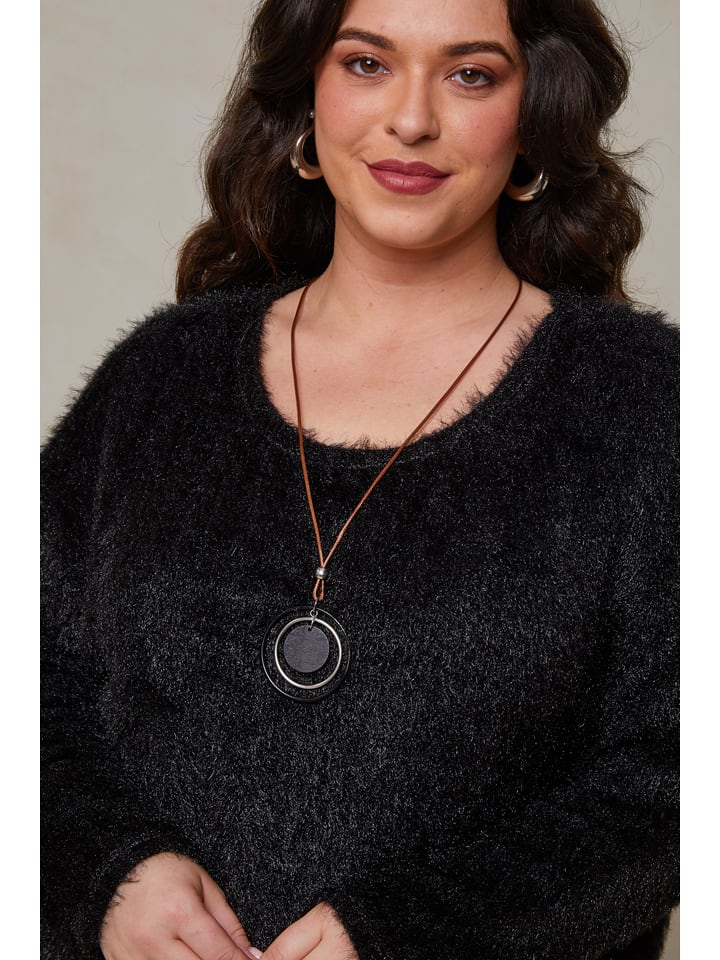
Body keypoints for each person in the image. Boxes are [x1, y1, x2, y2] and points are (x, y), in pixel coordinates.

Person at [41, 0, 679, 958]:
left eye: (471, 74)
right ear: (309, 97)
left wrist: (403, 936)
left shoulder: (650, 407)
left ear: (535, 119)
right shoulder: (159, 379)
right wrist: (108, 877)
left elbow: (676, 778)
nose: (411, 119)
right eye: (367, 64)